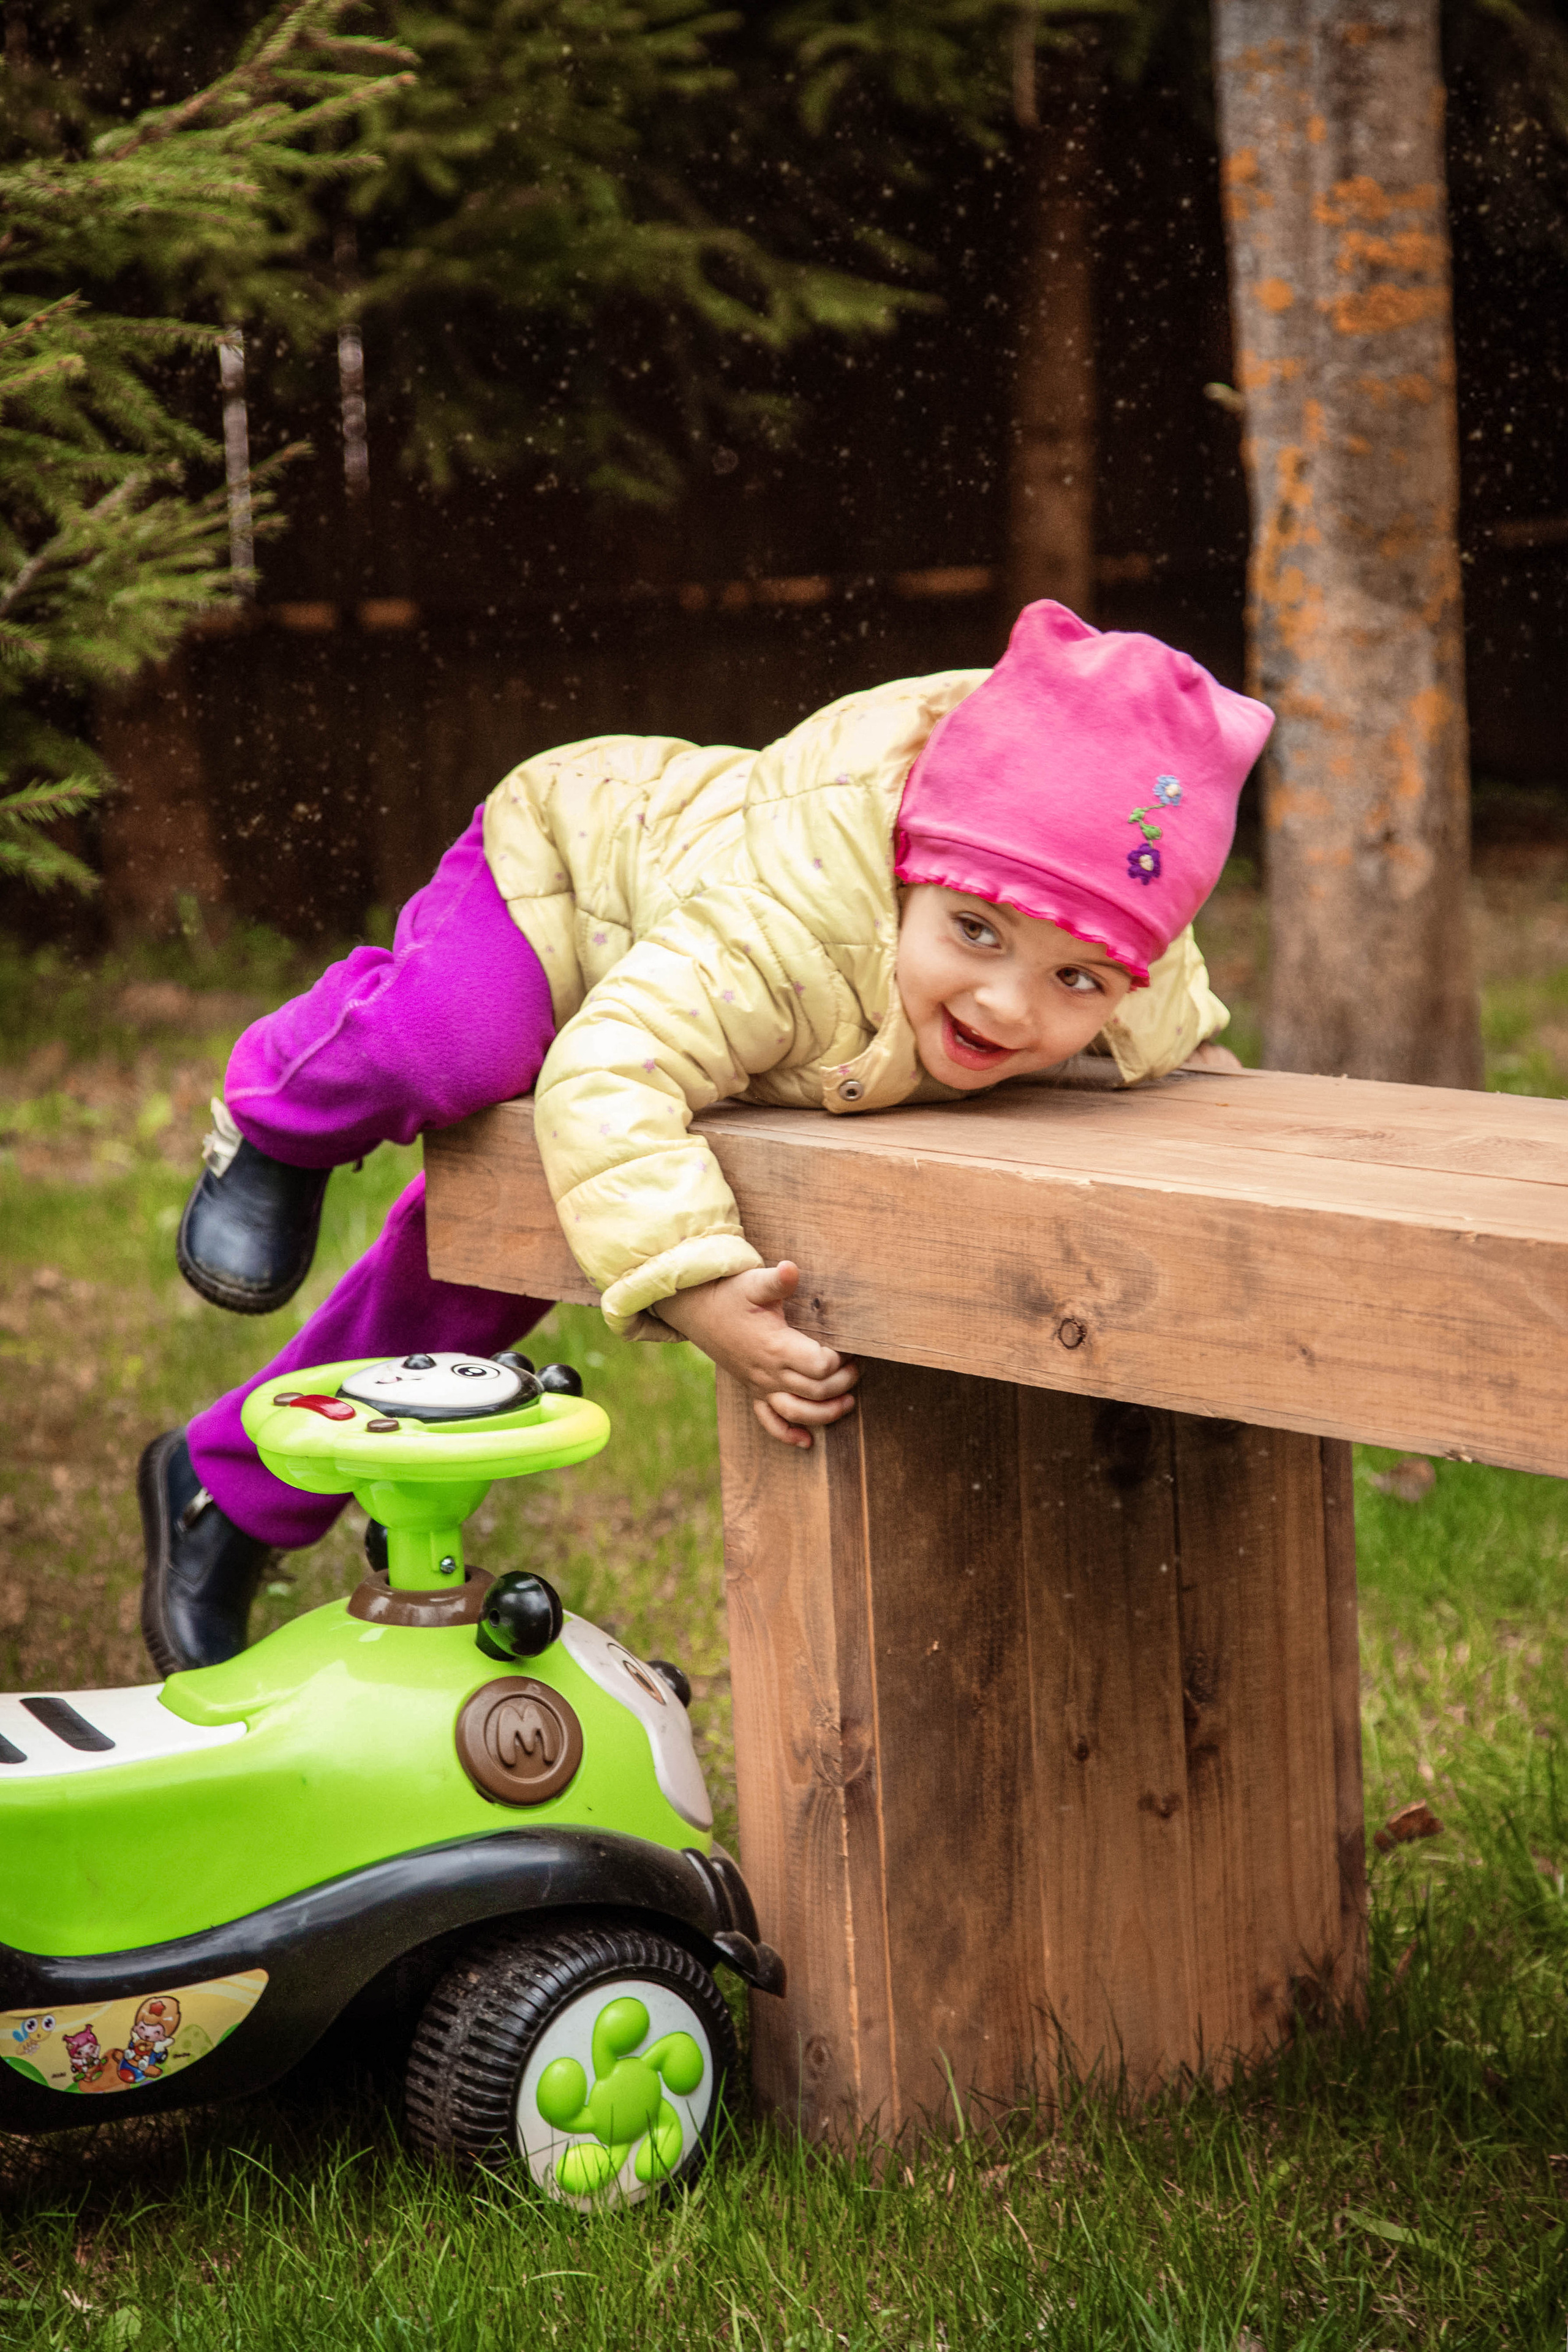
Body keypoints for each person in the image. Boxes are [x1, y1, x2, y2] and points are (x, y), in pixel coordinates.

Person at [139, 600, 1272, 1672]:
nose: (1007, 1009)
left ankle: (222, 1486)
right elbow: (610, 1071)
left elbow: (1178, 1031)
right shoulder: (781, 932)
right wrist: (694, 1285)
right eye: (973, 933)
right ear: (904, 875)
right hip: (573, 883)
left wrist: (1201, 1090)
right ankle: (276, 1123)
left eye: (1075, 978)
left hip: (700, 997)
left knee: (486, 1265)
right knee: (452, 1045)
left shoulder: (1134, 970)